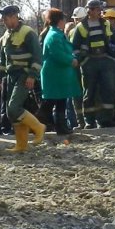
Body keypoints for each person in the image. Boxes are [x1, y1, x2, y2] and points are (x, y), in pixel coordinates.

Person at [0, 5, 45, 152]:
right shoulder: (6, 36)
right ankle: (21, 145)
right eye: (4, 18)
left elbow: (37, 56)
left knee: (14, 107)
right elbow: (3, 61)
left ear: (14, 16)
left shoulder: (28, 33)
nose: (4, 21)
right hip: (11, 76)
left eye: (6, 18)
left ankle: (38, 127)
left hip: (24, 74)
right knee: (11, 112)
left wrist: (32, 75)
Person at [69, 0, 115, 128]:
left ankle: (105, 120)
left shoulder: (106, 24)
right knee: (89, 92)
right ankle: (89, 121)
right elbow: (75, 47)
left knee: (107, 90)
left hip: (105, 61)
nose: (100, 12)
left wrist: (112, 57)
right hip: (89, 62)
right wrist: (82, 59)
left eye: (99, 9)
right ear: (90, 10)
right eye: (97, 9)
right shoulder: (81, 27)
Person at [39, 8, 82, 136]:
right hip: (55, 74)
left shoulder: (55, 33)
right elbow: (57, 53)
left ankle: (60, 126)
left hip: (58, 74)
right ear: (60, 20)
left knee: (59, 101)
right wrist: (71, 60)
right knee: (51, 102)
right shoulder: (54, 35)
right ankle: (38, 124)